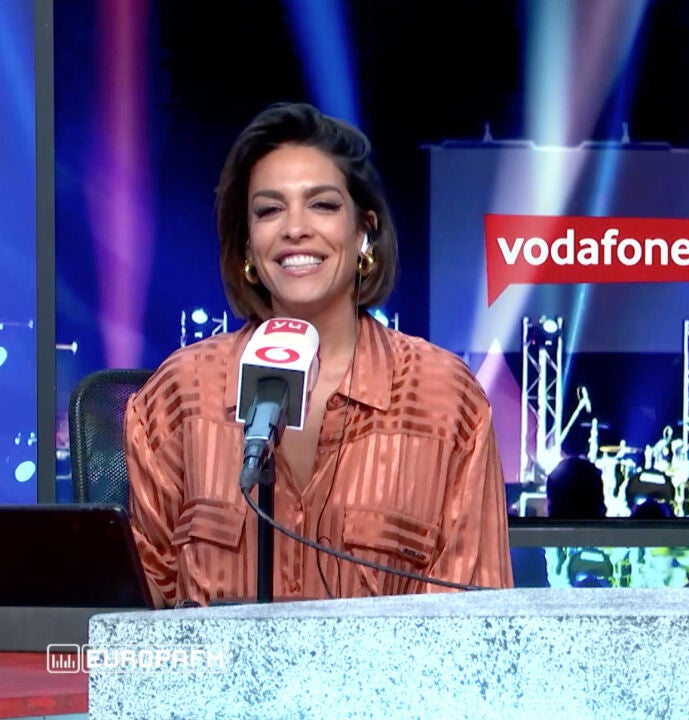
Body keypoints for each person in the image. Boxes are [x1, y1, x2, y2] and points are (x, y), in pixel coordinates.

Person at [125, 102, 513, 607]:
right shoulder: (181, 392)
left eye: (323, 205)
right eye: (269, 210)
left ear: (363, 233)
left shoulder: (444, 398)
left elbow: (475, 617)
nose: (295, 228)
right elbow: (134, 609)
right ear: (248, 247)